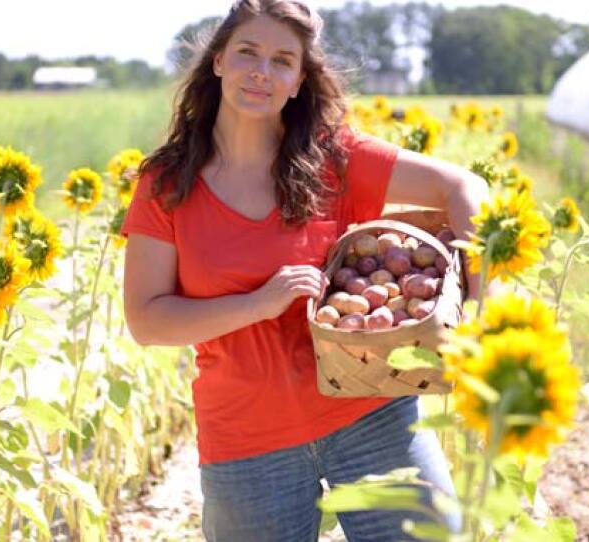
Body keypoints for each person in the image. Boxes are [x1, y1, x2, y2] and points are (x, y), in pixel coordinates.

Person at [121, 1, 489, 540]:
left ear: (298, 81)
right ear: (219, 60)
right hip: (247, 442)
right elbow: (146, 320)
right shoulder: (166, 184)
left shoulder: (332, 158)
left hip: (372, 416)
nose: (261, 72)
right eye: (248, 52)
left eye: (282, 61)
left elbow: (463, 187)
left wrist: (480, 307)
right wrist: (258, 304)